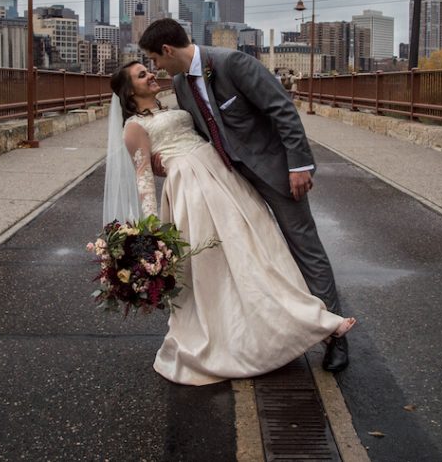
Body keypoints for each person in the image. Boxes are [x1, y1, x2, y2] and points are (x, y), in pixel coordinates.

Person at [108, 60, 355, 386]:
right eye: (142, 75)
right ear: (130, 91)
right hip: (192, 189)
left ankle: (301, 321)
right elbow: (143, 181)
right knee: (217, 267)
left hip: (222, 176)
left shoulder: (173, 102)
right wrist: (152, 236)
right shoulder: (134, 127)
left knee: (258, 250)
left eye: (149, 69)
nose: (151, 74)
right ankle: (261, 333)